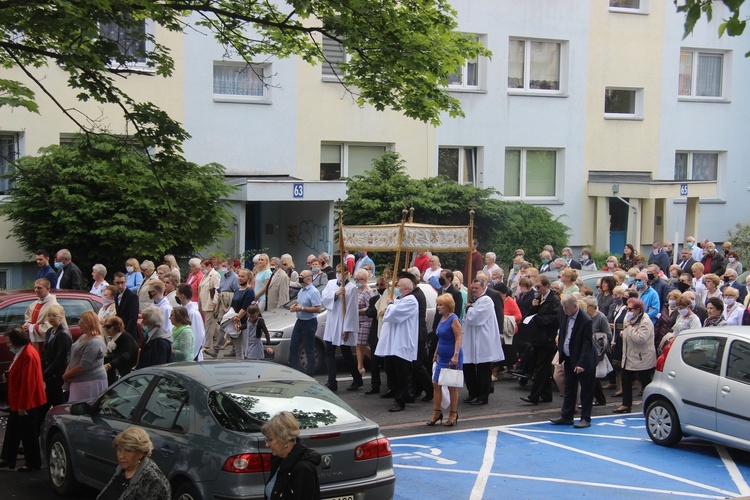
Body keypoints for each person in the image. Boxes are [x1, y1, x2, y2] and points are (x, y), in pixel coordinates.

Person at [0, 328, 46, 471]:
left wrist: (23, 405)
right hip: (19, 400)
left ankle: (32, 462)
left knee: (28, 433)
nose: (8, 345)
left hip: (27, 402)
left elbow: (28, 383)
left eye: (9, 342)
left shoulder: (28, 355)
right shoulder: (24, 352)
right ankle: (8, 457)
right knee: (13, 429)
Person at [551, 295, 596, 428]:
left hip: (584, 359)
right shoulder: (565, 315)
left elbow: (587, 344)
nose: (564, 310)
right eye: (563, 307)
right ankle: (567, 416)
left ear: (575, 307)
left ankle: (585, 418)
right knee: (569, 387)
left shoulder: (585, 320)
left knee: (586, 390)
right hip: (570, 357)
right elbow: (563, 334)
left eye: (567, 308)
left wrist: (581, 363)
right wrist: (562, 354)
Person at [376, 278, 419, 412]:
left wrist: (390, 305)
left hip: (402, 342)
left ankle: (400, 400)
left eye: (398, 285)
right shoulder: (400, 300)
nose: (396, 287)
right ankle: (396, 391)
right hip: (392, 342)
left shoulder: (411, 300)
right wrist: (393, 304)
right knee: (389, 367)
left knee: (402, 372)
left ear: (406, 288)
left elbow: (394, 314)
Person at [97, 427, 171, 500]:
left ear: (142, 453)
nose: (121, 456)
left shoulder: (153, 481)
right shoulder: (122, 470)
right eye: (119, 450)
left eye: (128, 451)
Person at [520, 275, 561, 405]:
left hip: (547, 339)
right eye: (535, 287)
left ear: (546, 286)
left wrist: (539, 319)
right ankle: (546, 394)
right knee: (543, 367)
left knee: (541, 368)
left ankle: (534, 395)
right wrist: (534, 307)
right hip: (537, 337)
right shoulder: (539, 298)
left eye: (539, 287)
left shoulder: (554, 300)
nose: (537, 290)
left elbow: (555, 319)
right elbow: (531, 314)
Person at [262, 411, 321, 500]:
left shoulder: (302, 469)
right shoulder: (280, 460)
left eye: (270, 440)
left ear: (285, 439)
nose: (267, 445)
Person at [462, 279, 503, 406]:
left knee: (483, 369)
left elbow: (475, 318)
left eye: (476, 288)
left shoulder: (487, 301)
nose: (474, 290)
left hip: (483, 339)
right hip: (471, 339)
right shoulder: (474, 301)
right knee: (468, 366)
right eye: (472, 288)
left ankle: (483, 395)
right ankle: (472, 392)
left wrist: (469, 309)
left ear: (483, 288)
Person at [321, 265, 361, 392]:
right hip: (332, 322)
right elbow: (324, 298)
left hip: (343, 323)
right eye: (337, 272)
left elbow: (352, 310)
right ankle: (332, 382)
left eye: (341, 272)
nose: (338, 274)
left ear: (347, 273)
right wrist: (336, 293)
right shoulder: (331, 283)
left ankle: (357, 378)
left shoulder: (352, 288)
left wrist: (347, 328)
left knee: (346, 353)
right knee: (329, 352)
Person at [614, 298, 656, 414]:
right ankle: (626, 404)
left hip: (642, 358)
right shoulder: (629, 319)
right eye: (627, 308)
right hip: (628, 356)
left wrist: (629, 328)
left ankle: (651, 404)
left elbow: (640, 339)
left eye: (630, 309)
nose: (628, 310)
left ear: (638, 310)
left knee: (646, 383)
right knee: (626, 380)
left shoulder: (645, 321)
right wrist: (625, 332)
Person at [428, 294, 463, 427]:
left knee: (451, 385)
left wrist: (455, 355)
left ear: (448, 305)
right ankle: (437, 412)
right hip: (442, 356)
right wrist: (436, 353)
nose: (438, 307)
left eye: (440, 305)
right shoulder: (442, 318)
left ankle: (453, 414)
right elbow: (440, 338)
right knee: (436, 383)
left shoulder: (454, 319)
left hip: (452, 357)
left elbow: (458, 338)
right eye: (437, 304)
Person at [63, 311, 108, 401]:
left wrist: (66, 375)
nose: (79, 325)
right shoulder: (83, 336)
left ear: (89, 323)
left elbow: (83, 366)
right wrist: (67, 372)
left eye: (82, 323)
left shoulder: (94, 342)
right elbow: (74, 357)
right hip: (78, 381)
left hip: (89, 382)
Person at [289, 270, 322, 376]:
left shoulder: (314, 292)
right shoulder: (302, 290)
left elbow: (318, 309)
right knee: (293, 346)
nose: (299, 278)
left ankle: (310, 373)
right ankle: (295, 371)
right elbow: (300, 302)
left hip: (309, 322)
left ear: (308, 278)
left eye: (301, 276)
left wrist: (302, 308)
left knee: (309, 348)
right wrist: (295, 306)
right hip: (300, 321)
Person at [42, 304, 72, 408]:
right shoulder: (49, 331)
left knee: (56, 400)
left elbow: (60, 359)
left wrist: (44, 374)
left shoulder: (63, 334)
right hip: (49, 373)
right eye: (49, 315)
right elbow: (45, 352)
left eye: (54, 315)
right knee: (51, 400)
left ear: (61, 317)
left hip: (57, 374)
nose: (51, 318)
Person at [22, 278, 59, 350]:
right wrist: (27, 325)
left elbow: (50, 329)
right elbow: (28, 318)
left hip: (45, 344)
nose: (36, 290)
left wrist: (31, 327)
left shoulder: (54, 306)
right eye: (35, 287)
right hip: (33, 341)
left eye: (39, 288)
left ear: (48, 288)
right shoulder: (35, 304)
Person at [103, 316, 139, 386]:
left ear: (117, 326)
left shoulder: (126, 337)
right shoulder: (114, 339)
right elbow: (111, 356)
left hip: (127, 371)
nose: (106, 329)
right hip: (119, 370)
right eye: (104, 327)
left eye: (108, 326)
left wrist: (110, 365)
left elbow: (125, 355)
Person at [176, 284, 205, 361]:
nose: (176, 297)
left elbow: (197, 335)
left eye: (177, 294)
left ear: (182, 296)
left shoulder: (193, 313)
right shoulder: (185, 310)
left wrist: (190, 355)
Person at [353, 269, 374, 375]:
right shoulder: (357, 290)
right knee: (358, 344)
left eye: (359, 279)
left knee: (362, 344)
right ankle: (360, 367)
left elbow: (370, 307)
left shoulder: (368, 291)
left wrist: (359, 311)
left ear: (365, 279)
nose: (357, 281)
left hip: (366, 320)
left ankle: (375, 360)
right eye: (355, 279)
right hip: (357, 319)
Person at [199, 259, 221, 350]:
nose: (202, 269)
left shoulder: (215, 275)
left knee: (208, 324)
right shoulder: (205, 275)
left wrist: (215, 302)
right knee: (214, 324)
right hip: (205, 301)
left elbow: (217, 289)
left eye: (203, 267)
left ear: (209, 266)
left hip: (211, 302)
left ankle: (207, 344)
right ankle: (224, 339)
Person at [113, 272, 140, 341]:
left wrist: (125, 333)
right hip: (120, 330)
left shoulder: (132, 296)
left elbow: (133, 318)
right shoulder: (116, 294)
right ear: (114, 282)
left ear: (126, 282)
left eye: (122, 282)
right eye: (117, 283)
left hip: (129, 332)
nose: (120, 285)